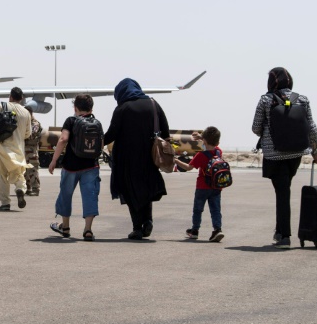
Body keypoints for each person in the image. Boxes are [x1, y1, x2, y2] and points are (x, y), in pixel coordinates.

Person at [252, 67, 317, 249]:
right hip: (296, 153)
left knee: (282, 193)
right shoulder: (302, 99)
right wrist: (314, 151)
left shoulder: (266, 100)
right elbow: (311, 127)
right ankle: (279, 231)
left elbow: (256, 127)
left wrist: (268, 134)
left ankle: (284, 236)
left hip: (275, 154)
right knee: (284, 190)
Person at [104, 78, 170, 240]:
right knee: (145, 191)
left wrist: (92, 143)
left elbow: (112, 134)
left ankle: (137, 228)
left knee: (130, 191)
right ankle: (147, 220)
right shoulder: (153, 104)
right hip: (149, 157)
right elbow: (165, 130)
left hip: (127, 159)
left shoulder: (122, 108)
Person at [48, 94, 102, 241]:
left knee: (66, 195)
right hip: (91, 166)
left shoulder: (71, 121)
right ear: (91, 108)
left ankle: (65, 227)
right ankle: (88, 230)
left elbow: (63, 139)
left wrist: (54, 160)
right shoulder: (97, 123)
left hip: (70, 167)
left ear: (75, 108)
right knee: (90, 196)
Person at [174, 126, 225, 242]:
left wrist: (176, 160)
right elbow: (212, 143)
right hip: (216, 187)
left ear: (205, 141)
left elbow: (188, 167)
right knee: (215, 210)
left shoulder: (200, 155)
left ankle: (195, 231)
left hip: (202, 187)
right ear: (218, 141)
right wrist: (203, 138)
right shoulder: (218, 151)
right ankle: (217, 229)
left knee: (198, 210)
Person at [0, 87, 32, 211]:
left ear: (10, 96)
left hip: (2, 146)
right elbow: (28, 133)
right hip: (17, 148)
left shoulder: (3, 107)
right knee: (18, 172)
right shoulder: (26, 112)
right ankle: (20, 189)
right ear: (21, 98)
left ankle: (5, 202)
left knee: (1, 175)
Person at [24, 106, 42, 196]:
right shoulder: (26, 123)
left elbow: (32, 135)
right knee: (25, 171)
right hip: (24, 150)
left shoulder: (35, 124)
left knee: (32, 170)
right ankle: (28, 188)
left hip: (31, 151)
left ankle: (36, 188)